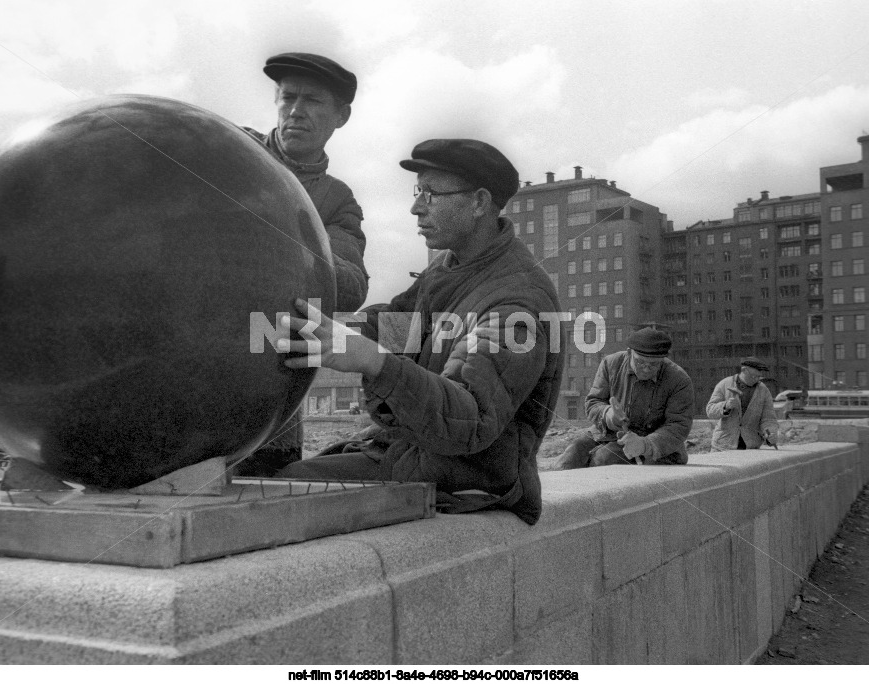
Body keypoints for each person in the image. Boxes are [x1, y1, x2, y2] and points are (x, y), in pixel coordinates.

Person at [273, 138, 564, 525]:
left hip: (469, 478)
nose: (416, 207)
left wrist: (372, 360)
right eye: (418, 191)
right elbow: (398, 325)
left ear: (478, 203)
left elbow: (469, 419)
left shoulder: (516, 303)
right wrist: (309, 325)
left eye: (431, 193)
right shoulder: (451, 268)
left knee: (281, 492)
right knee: (280, 480)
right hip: (421, 457)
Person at [237, 52, 369, 477]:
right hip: (175, 367)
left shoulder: (336, 200)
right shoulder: (232, 153)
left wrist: (275, 239)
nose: (295, 111)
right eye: (287, 97)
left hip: (267, 392)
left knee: (263, 509)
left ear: (341, 116)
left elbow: (349, 284)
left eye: (312, 100)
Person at [556, 327, 695, 468]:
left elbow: (679, 425)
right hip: (607, 433)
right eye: (640, 362)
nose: (646, 369)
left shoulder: (679, 380)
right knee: (570, 457)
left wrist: (645, 444)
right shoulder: (610, 364)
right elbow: (593, 402)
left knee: (605, 458)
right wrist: (608, 414)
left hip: (654, 442)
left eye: (653, 364)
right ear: (629, 353)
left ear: (663, 359)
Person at [706, 357, 779, 451]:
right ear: (744, 370)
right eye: (753, 376)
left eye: (759, 377)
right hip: (723, 445)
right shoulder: (725, 384)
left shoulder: (763, 390)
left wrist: (771, 434)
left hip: (751, 446)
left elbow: (768, 418)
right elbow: (710, 410)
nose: (756, 379)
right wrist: (725, 406)